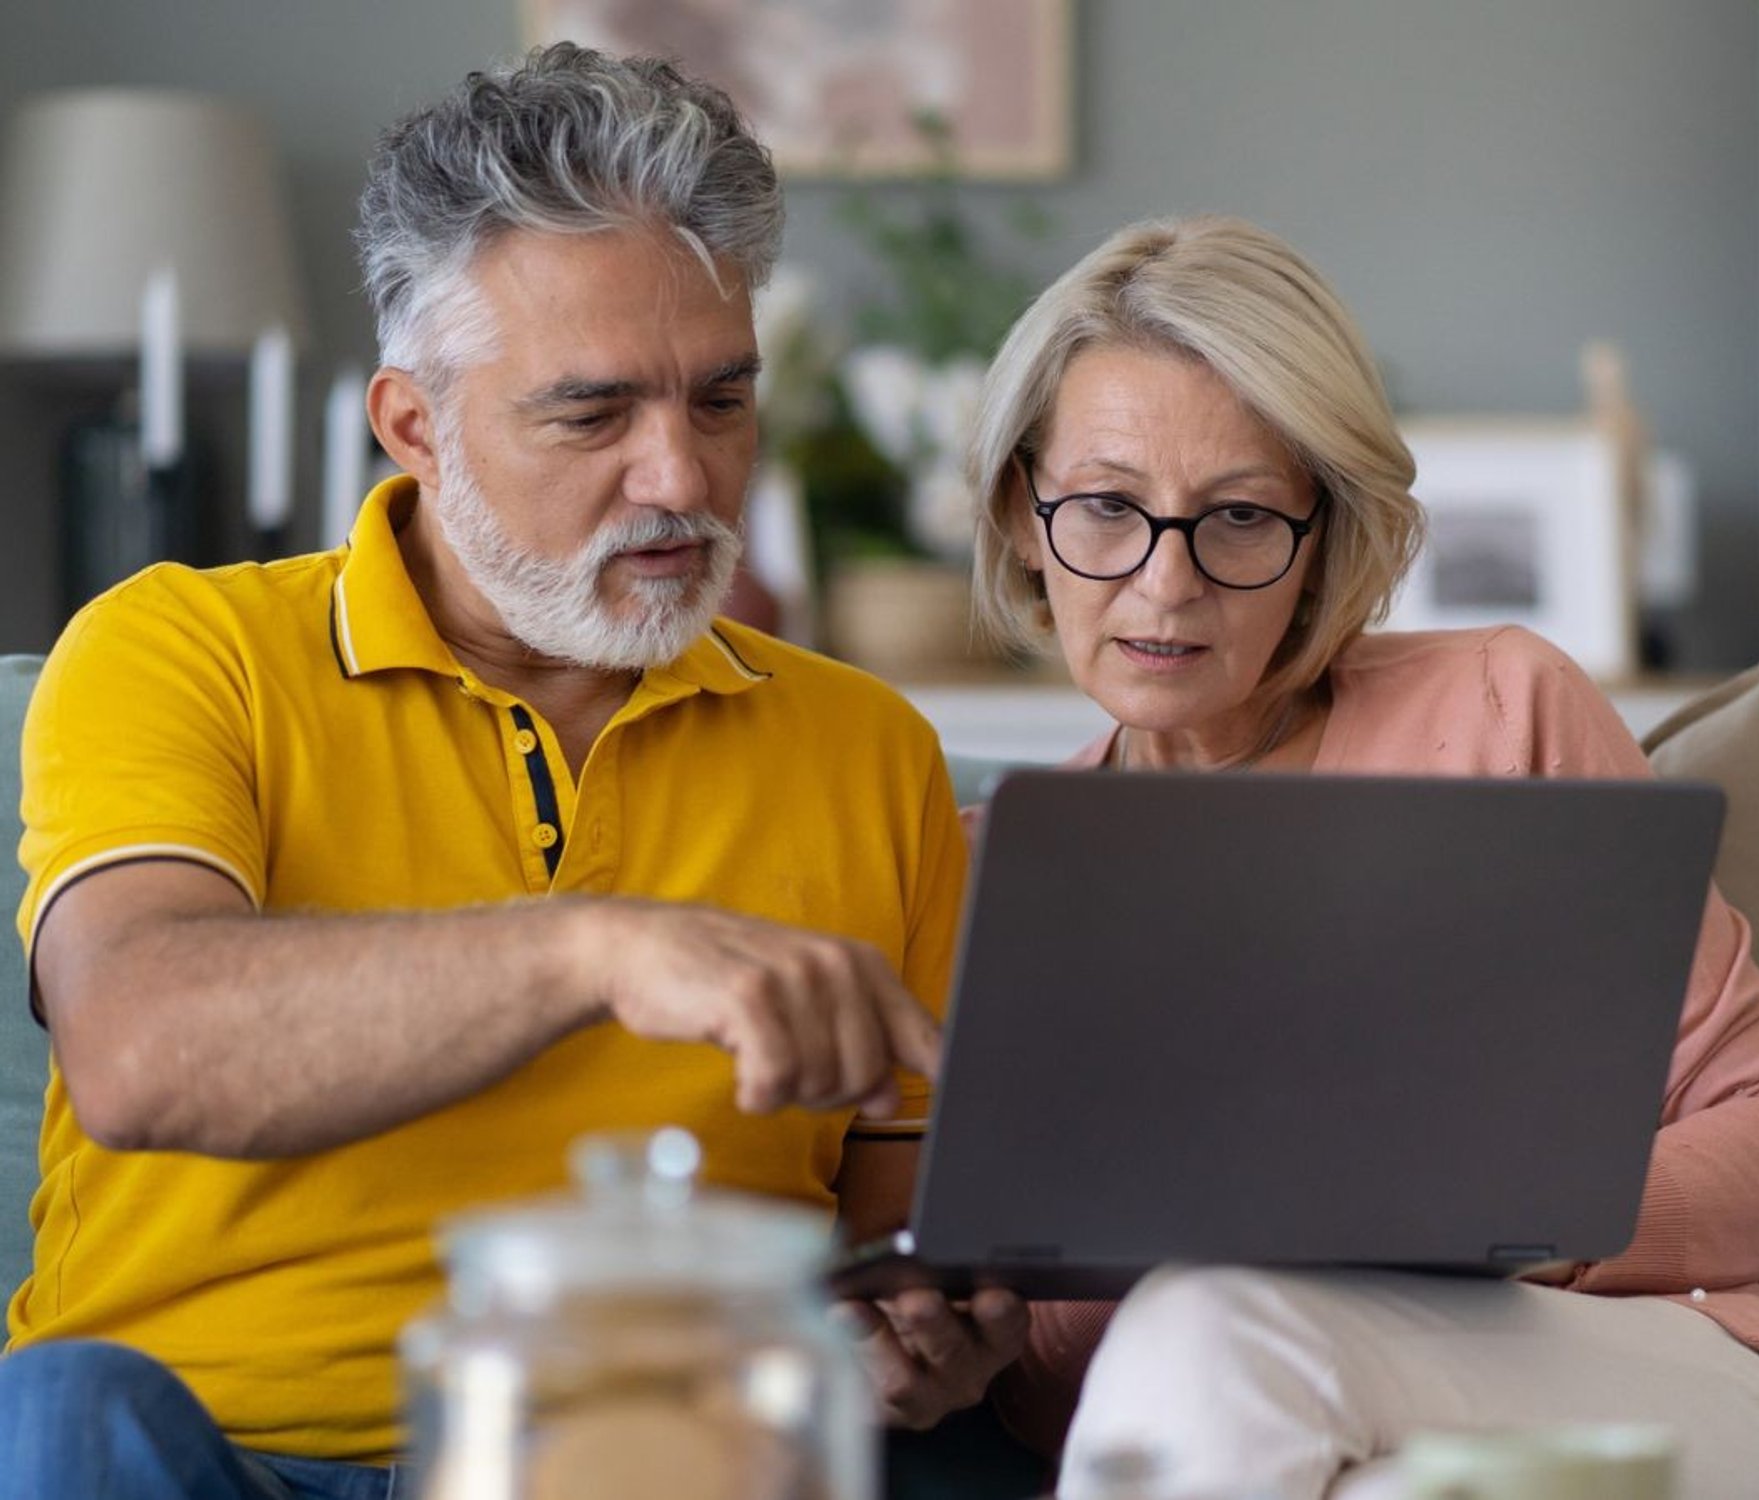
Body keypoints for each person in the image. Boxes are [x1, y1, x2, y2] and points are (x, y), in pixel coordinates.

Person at [0, 46, 1025, 1500]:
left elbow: (896, 1234)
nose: (680, 477)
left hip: (646, 1453)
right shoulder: (180, 650)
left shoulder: (867, 749)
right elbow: (141, 1050)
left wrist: (921, 1341)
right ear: (414, 428)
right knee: (57, 1418)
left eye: (721, 402)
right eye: (593, 415)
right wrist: (596, 951)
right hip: (216, 1452)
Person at [963, 215, 1759, 1499]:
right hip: (1286, 1424)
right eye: (1106, 508)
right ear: (1020, 510)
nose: (1164, 587)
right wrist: (993, 1330)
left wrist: (1496, 1222)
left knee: (1218, 1325)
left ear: (1321, 534)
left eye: (1234, 519)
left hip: (1659, 1374)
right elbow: (1079, 1403)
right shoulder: (996, 871)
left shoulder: (1500, 709)